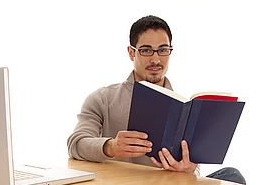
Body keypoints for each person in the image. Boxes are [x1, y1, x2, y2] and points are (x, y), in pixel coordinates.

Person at [67, 15, 198, 174]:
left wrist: (191, 169)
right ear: (131, 53)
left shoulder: (184, 109)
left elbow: (193, 168)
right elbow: (76, 144)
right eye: (146, 50)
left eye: (163, 50)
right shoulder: (102, 99)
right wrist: (111, 146)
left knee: (230, 174)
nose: (155, 59)